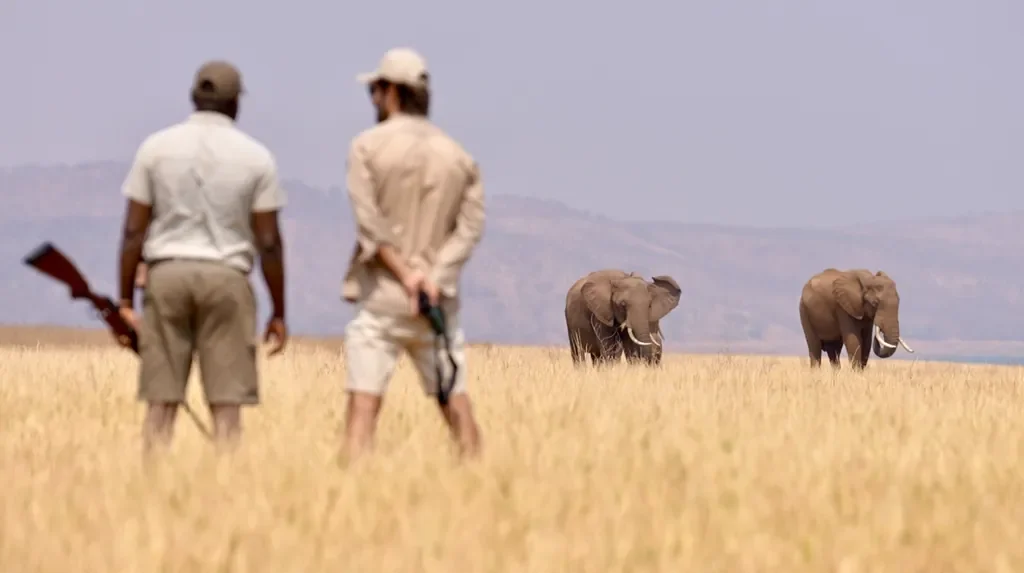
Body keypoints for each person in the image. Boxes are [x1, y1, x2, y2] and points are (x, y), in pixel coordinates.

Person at [115, 60, 289, 456]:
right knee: (227, 403)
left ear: (194, 97)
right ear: (236, 104)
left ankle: (150, 485)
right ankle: (227, 489)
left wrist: (125, 301)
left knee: (161, 398)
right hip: (227, 278)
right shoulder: (257, 157)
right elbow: (269, 242)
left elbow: (132, 232)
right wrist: (279, 311)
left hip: (167, 275)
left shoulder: (155, 149)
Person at [340, 47, 486, 460]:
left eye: (375, 90)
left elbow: (370, 224)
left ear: (390, 92)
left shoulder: (366, 147)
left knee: (363, 409)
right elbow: (470, 226)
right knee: (456, 405)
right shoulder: (458, 155)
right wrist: (434, 278)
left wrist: (406, 276)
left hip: (383, 297)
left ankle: (349, 500)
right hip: (437, 303)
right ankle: (485, 489)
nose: (373, 99)